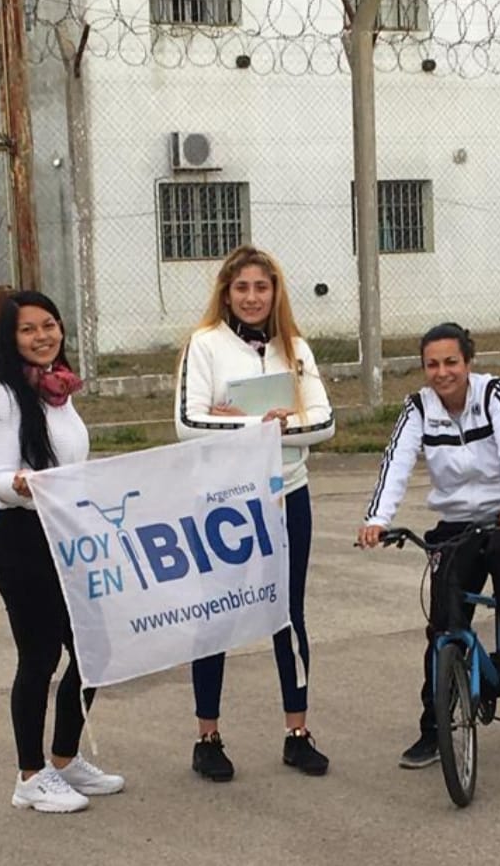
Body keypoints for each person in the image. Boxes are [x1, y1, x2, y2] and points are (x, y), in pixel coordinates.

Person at [358, 322, 500, 769]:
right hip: (459, 525)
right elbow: (396, 462)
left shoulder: (496, 394)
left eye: (451, 362)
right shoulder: (418, 408)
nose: (442, 372)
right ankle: (435, 728)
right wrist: (377, 519)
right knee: (443, 626)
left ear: (468, 362)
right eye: (432, 364)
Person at [175, 245, 335, 780]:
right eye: (241, 287)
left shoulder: (296, 348)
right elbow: (188, 423)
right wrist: (259, 425)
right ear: (226, 293)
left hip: (289, 494)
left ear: (275, 292)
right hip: (224, 501)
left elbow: (324, 423)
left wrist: (253, 423)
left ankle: (297, 732)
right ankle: (208, 737)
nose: (251, 297)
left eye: (261, 287)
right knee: (217, 615)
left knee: (289, 612)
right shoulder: (204, 345)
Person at [0, 291, 125, 813]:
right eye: (28, 329)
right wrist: (20, 484)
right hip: (21, 539)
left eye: (50, 325)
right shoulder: (2, 396)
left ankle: (64, 757)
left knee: (94, 649)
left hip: (67, 536)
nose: (42, 336)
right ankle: (30, 776)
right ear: (10, 338)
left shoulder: (58, 389)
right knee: (39, 656)